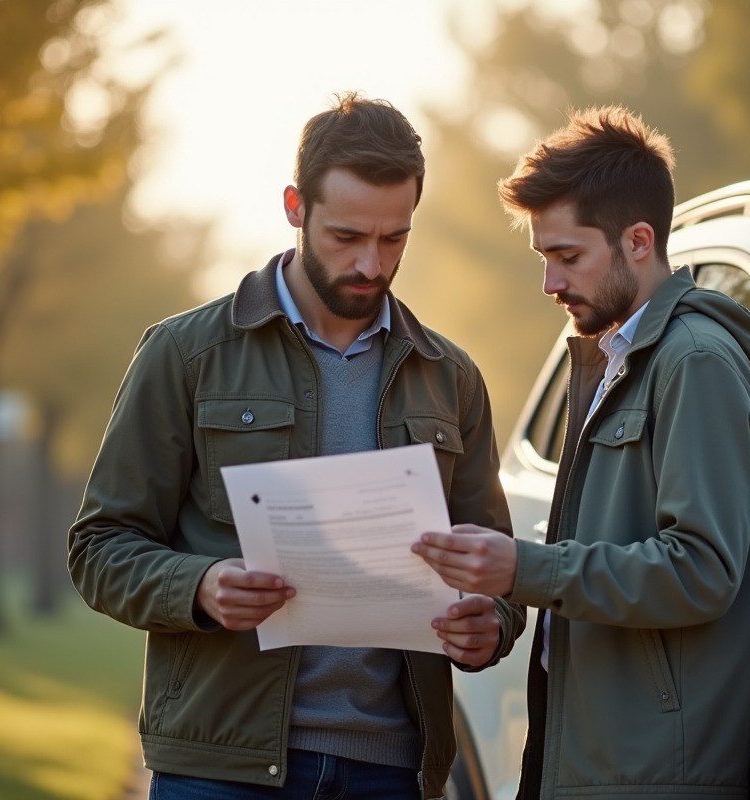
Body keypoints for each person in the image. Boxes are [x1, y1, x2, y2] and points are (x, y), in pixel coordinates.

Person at [69, 92, 525, 800]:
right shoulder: (185, 355)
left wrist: (488, 625)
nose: (371, 264)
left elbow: (494, 564)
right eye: (347, 237)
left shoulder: (451, 377)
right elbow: (99, 547)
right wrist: (200, 586)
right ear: (294, 207)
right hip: (220, 766)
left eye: (394, 238)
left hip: (392, 770)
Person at [413, 106, 750, 800]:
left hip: (652, 776)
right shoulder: (621, 359)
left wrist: (524, 567)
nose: (550, 283)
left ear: (639, 241)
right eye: (544, 257)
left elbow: (703, 570)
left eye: (568, 256)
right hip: (590, 763)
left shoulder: (694, 365)